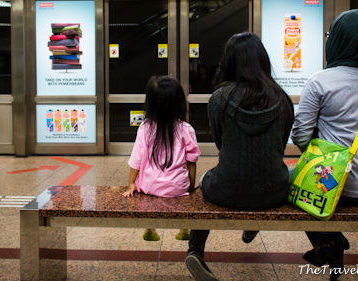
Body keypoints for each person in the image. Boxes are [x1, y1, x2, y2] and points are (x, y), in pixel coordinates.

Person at [291, 9, 358, 280]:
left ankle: (327, 241)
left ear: (338, 40)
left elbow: (300, 136)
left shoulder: (320, 81)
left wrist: (324, 158)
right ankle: (330, 243)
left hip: (337, 185)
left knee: (294, 181)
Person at [185, 32, 294, 281]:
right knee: (274, 173)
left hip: (226, 190)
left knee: (204, 183)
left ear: (230, 62)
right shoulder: (283, 99)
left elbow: (222, 144)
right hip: (274, 192)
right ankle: (251, 226)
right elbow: (281, 145)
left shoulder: (218, 99)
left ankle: (195, 251)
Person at [122, 75, 201, 241]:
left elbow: (136, 159)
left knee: (148, 194)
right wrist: (190, 186)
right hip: (178, 188)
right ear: (178, 102)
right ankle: (184, 229)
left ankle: (150, 229)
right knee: (183, 199)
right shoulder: (186, 129)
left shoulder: (145, 128)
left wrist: (131, 184)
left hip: (149, 186)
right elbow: (191, 161)